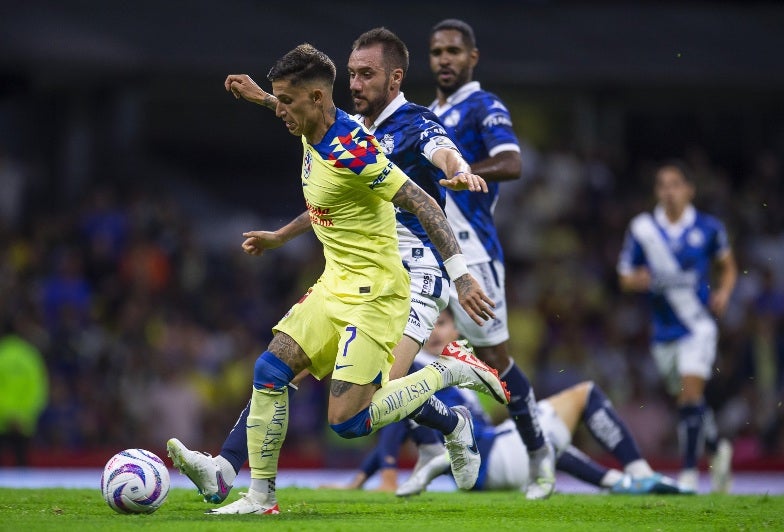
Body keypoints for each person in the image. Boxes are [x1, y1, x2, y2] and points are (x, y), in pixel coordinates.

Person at [168, 27, 530, 505]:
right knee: (278, 369)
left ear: (394, 78)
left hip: (412, 271)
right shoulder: (345, 126)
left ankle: (451, 386)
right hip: (348, 274)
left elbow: (440, 160)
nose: (355, 83)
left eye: (366, 75)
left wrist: (460, 173)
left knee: (373, 398)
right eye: (352, 73)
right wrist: (281, 231)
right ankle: (231, 473)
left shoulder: (414, 124)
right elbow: (327, 176)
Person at [328, 308, 690, 496]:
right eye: (429, 324)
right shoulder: (418, 365)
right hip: (490, 456)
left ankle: (622, 483)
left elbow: (403, 415)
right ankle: (639, 474)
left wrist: (361, 478)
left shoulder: (447, 367)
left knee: (542, 443)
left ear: (457, 330)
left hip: (490, 461)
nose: (435, 332)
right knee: (585, 395)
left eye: (443, 324)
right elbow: (398, 416)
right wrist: (387, 472)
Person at [425, 18, 554, 499]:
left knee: (495, 359)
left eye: (453, 51)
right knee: (396, 348)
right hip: (424, 249)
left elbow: (512, 162)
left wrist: (464, 171)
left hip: (471, 250)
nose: (444, 59)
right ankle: (431, 446)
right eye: (437, 51)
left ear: (472, 57)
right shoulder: (424, 115)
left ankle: (539, 454)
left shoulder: (484, 106)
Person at [617, 161, 737, 493]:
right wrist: (637, 280)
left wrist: (724, 292)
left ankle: (689, 473)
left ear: (689, 190)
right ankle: (717, 447)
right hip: (663, 331)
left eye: (675, 184)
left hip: (698, 324)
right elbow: (624, 276)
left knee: (690, 394)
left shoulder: (708, 227)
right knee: (687, 402)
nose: (669, 191)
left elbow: (728, 266)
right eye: (662, 185)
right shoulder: (643, 228)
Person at [0, 317, 49, 466]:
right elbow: (39, 390)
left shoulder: (2, 354)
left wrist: (6, 415)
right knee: (21, 468)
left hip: (2, 422)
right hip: (24, 425)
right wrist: (23, 416)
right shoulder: (30, 356)